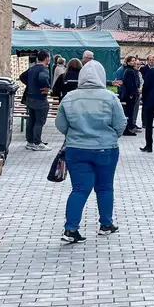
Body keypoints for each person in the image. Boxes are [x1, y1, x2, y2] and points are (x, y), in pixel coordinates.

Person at [55, 60, 125, 243]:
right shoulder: (110, 98)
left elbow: (60, 125)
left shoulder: (69, 97)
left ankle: (70, 229)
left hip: (76, 150)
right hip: (106, 149)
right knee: (104, 187)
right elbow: (120, 124)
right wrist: (110, 137)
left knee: (79, 189)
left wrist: (75, 135)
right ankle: (106, 224)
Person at [21, 50, 52, 151]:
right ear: (47, 58)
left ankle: (30, 142)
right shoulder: (44, 69)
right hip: (40, 99)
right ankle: (37, 143)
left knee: (31, 121)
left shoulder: (32, 68)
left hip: (30, 98)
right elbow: (43, 78)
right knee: (39, 122)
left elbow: (22, 77)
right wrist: (46, 87)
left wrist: (30, 84)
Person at [118, 56, 141, 136]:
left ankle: (129, 128)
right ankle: (128, 129)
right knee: (129, 112)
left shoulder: (131, 70)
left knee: (130, 112)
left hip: (130, 94)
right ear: (128, 62)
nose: (134, 62)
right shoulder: (129, 71)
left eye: (134, 60)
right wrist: (132, 94)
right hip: (129, 95)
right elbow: (131, 85)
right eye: (132, 61)